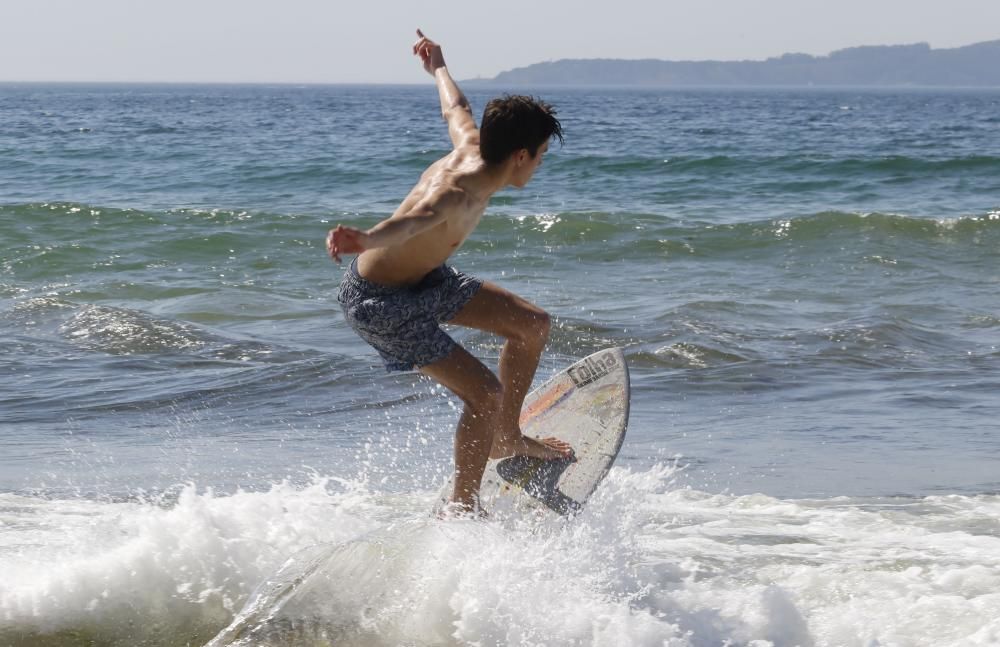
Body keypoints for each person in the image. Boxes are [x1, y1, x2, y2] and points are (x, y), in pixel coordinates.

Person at [326, 29, 571, 513]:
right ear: (521, 155)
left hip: (426, 280)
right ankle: (461, 508)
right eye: (541, 156)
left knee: (532, 325)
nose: (540, 166)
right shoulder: (459, 192)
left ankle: (508, 438)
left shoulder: (473, 144)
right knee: (485, 394)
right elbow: (416, 220)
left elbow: (454, 107)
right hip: (381, 304)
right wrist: (368, 239)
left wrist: (438, 65)